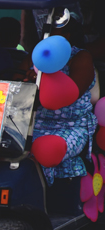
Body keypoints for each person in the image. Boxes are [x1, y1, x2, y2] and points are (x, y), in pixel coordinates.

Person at [29, 12, 97, 185]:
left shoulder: (80, 57)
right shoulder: (36, 56)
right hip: (32, 124)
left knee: (47, 150)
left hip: (70, 126)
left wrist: (45, 77)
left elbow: (67, 95)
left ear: (66, 35)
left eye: (53, 32)